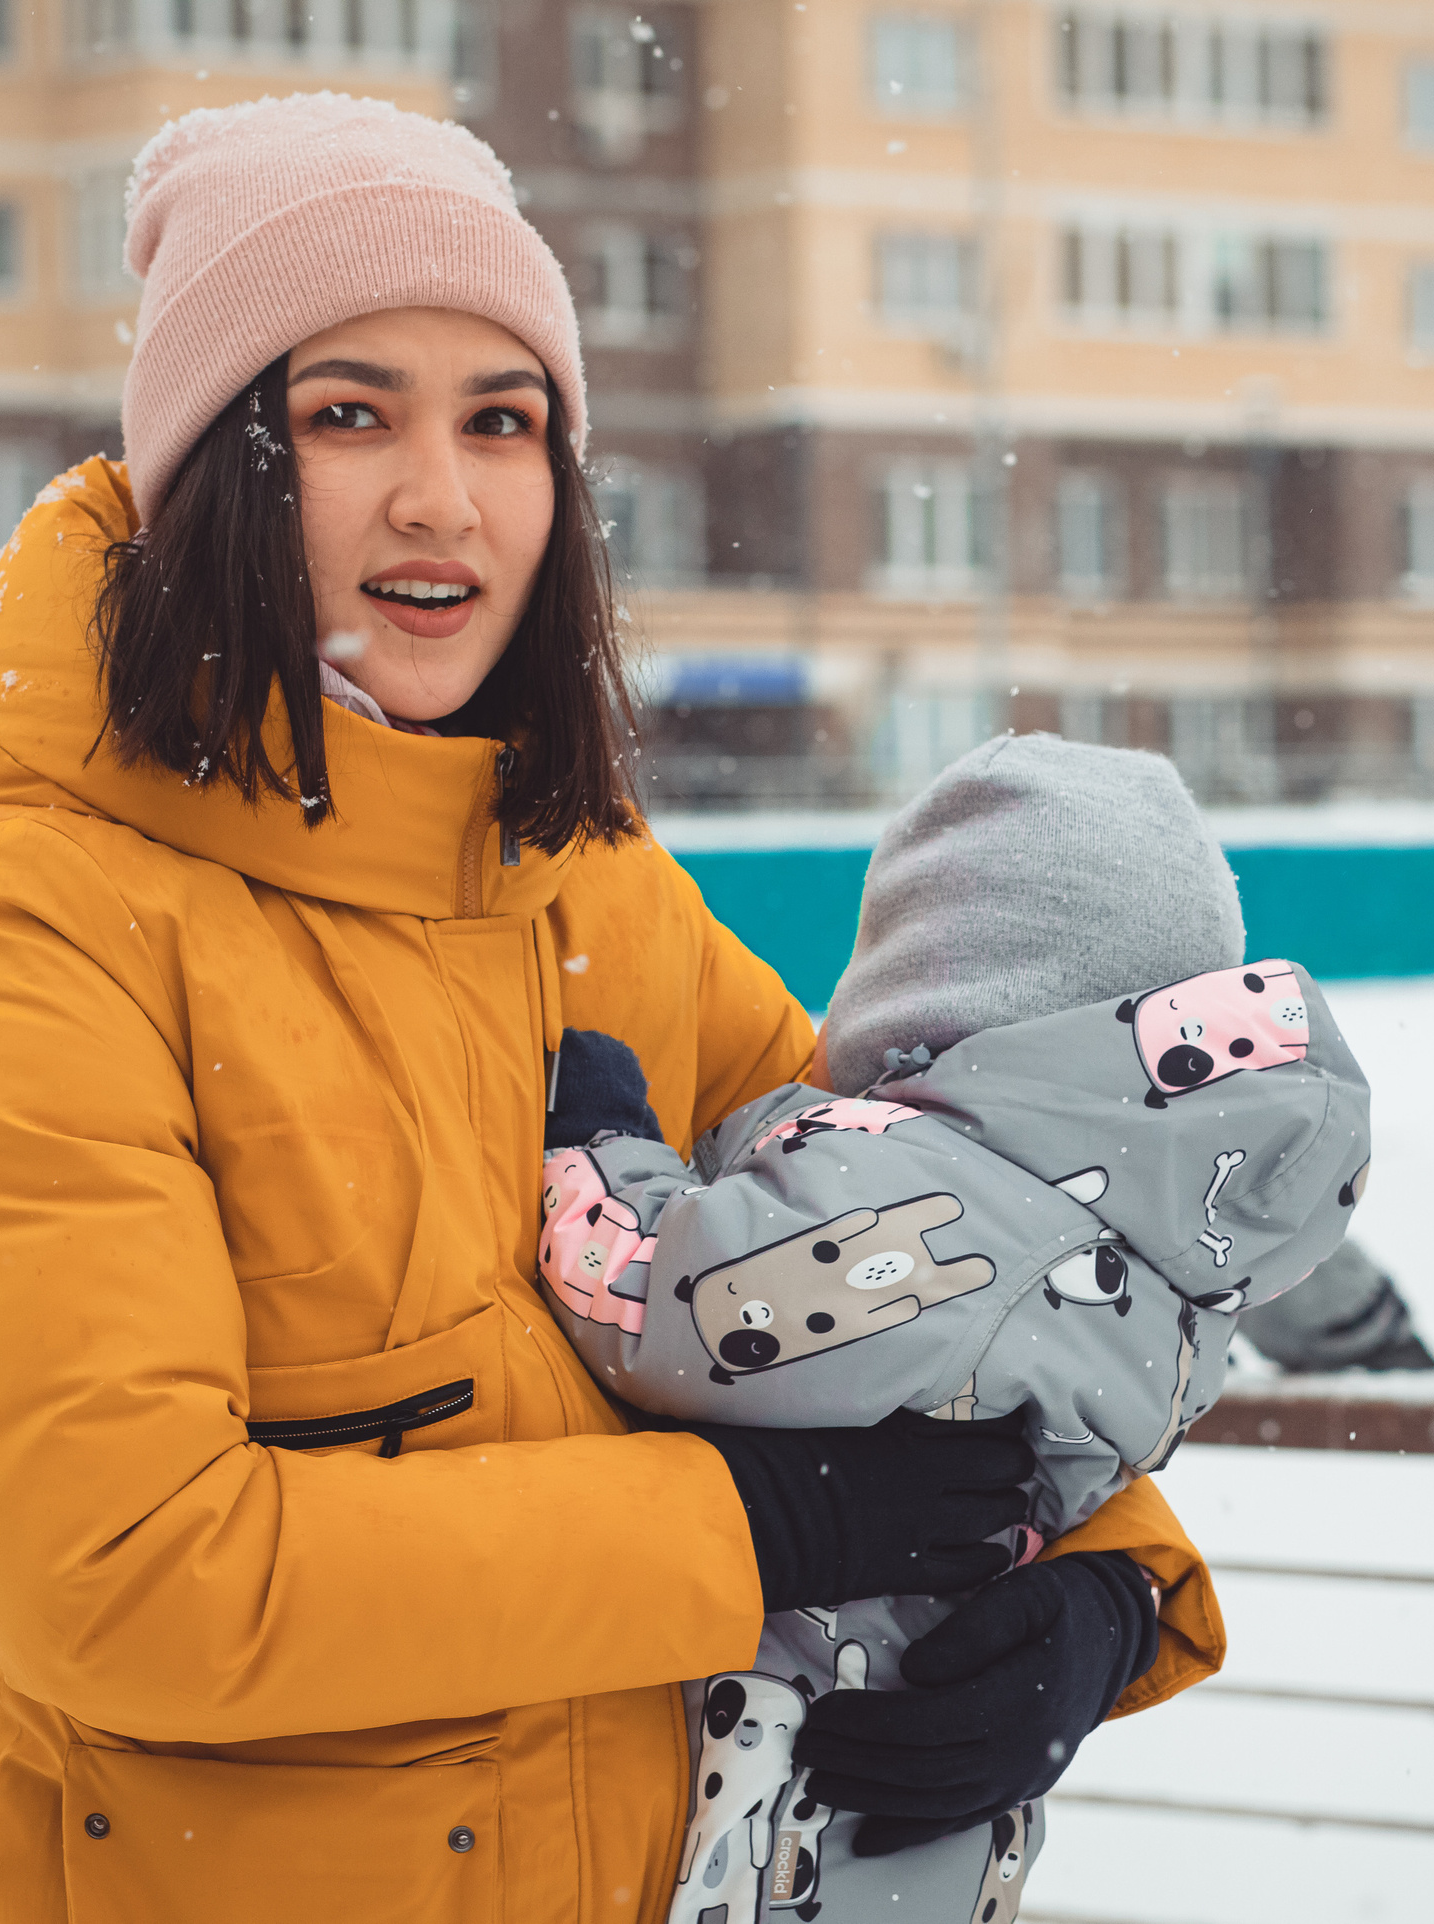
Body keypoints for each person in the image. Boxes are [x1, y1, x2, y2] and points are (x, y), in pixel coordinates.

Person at [0, 94, 1222, 1924]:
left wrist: (1095, 1578)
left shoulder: (582, 880)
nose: (442, 495)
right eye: (348, 415)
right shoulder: (33, 923)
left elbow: (936, 1239)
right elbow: (128, 1577)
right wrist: (761, 1533)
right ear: (210, 472)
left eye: (505, 421)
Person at [535, 735, 1373, 1922]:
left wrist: (601, 1148)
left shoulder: (936, 1204)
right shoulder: (1157, 1215)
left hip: (778, 1743)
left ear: (931, 993)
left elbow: (663, 1304)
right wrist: (1118, 1592)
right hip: (922, 1774)